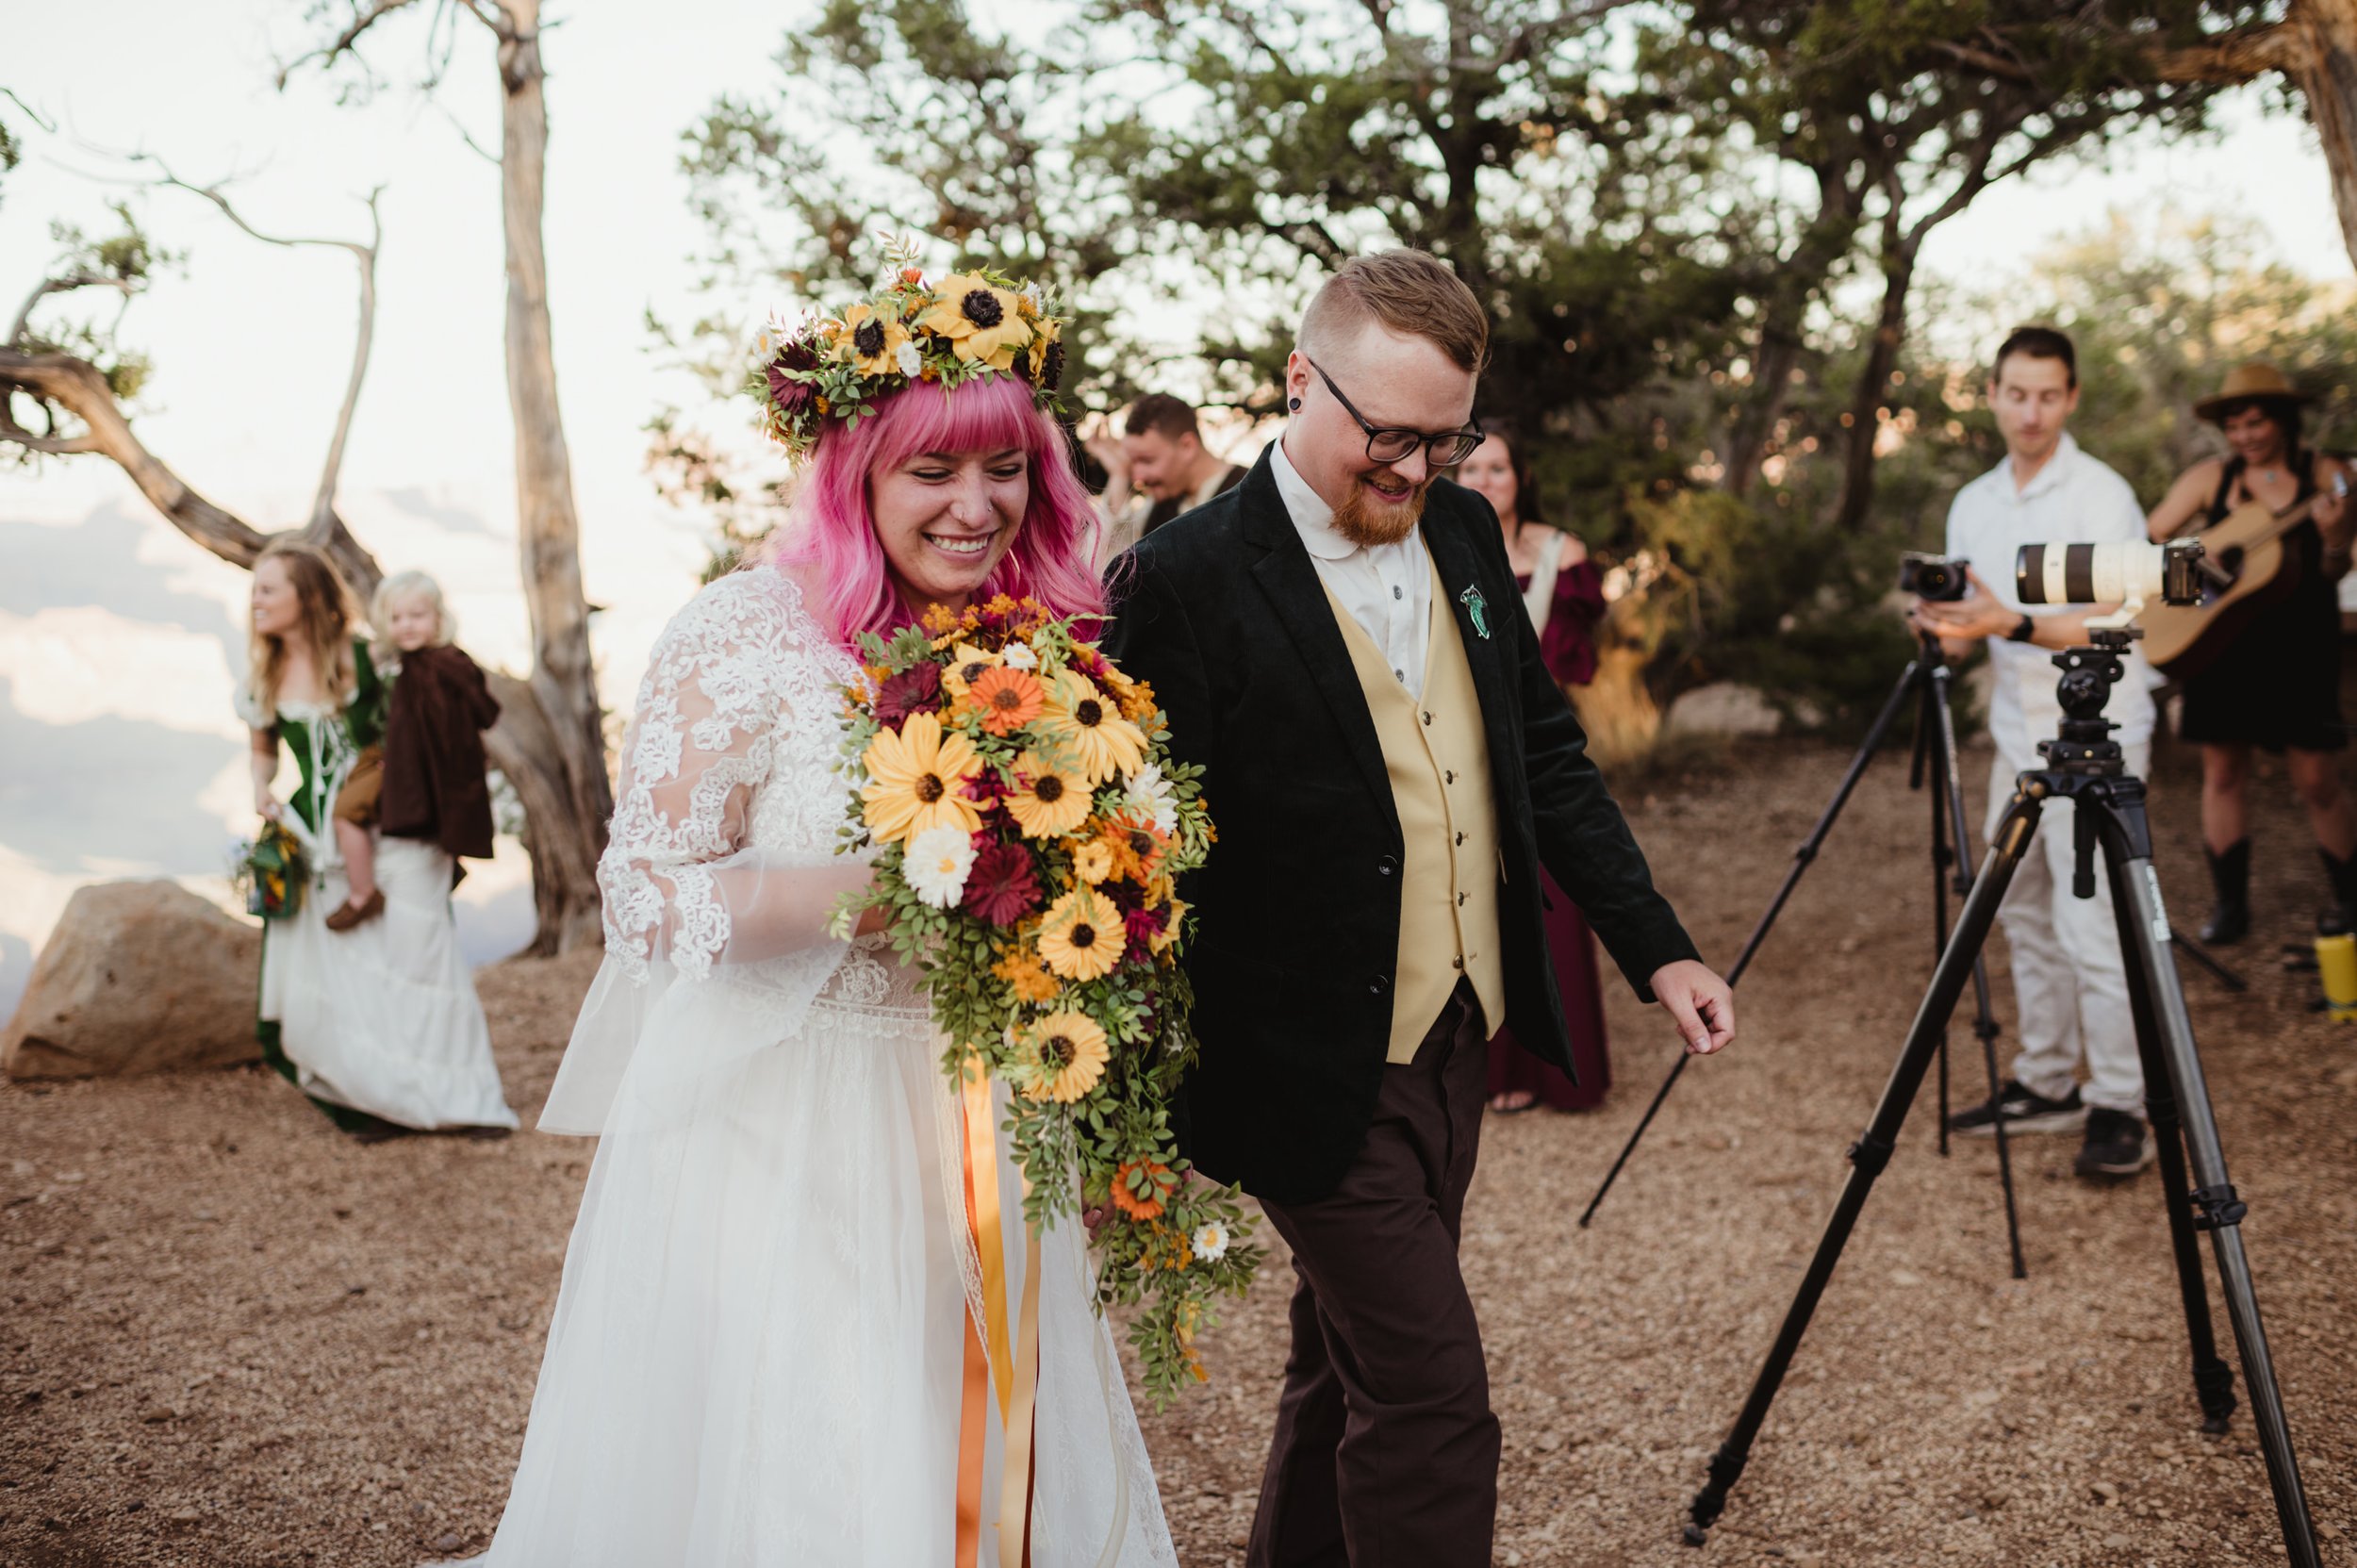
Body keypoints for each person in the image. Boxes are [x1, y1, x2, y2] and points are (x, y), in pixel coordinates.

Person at [468, 266, 1171, 1566]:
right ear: (858, 470)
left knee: (991, 1438)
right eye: (935, 473)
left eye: (1006, 468)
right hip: (783, 1128)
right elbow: (642, 896)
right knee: (821, 1463)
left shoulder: (1047, 645)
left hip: (986, 1118)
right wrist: (870, 893)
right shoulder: (748, 635)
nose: (978, 507)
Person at [1103, 249, 1733, 1568]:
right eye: (1386, 433)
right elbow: (1140, 861)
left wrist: (1654, 943)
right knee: (1434, 1391)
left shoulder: (1455, 530)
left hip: (1456, 1032)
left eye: (1443, 443)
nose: (1411, 470)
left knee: (1346, 1364)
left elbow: (1540, 751)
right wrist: (1130, 1110)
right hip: (1297, 1062)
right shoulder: (1186, 577)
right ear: (1296, 379)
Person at [1914, 326, 2157, 1180]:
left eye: (2048, 395)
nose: (2031, 411)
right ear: (1991, 394)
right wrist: (1940, 632)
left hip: (2103, 726)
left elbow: (2122, 621)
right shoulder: (1974, 502)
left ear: (2073, 397)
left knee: (2093, 919)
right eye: (2017, 393)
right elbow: (1967, 626)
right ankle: (2048, 1077)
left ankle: (2121, 1102)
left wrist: (2004, 622)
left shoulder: (2102, 495)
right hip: (2016, 733)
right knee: (2019, 906)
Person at [239, 539, 516, 1140]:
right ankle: (372, 1100)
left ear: (306, 596)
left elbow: (429, 732)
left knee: (418, 962)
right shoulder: (262, 673)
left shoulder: (367, 660)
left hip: (391, 826)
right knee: (348, 974)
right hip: (313, 836)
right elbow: (263, 749)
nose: (254, 599)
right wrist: (261, 788)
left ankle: (461, 1100)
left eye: (268, 588)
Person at [2145, 361, 2355, 943]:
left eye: (2255, 422)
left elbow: (2339, 566)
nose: (2245, 435)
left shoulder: (2329, 474)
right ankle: (2230, 906)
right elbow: (2151, 539)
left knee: (2316, 777)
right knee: (2223, 770)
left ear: (2283, 421)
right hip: (2222, 644)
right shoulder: (2210, 478)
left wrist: (2337, 540)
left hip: (2300, 644)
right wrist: (2202, 566)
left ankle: (2349, 900)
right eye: (2234, 425)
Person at [1457, 423, 1612, 1114]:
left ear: (1520, 476)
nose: (1485, 481)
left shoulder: (1560, 554)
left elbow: (1576, 662)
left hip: (1536, 746)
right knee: (1482, 898)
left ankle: (1562, 1068)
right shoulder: (1439, 545)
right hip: (1464, 743)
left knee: (1554, 893)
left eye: (1498, 468)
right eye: (1472, 471)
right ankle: (1497, 1066)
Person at [371, 571, 503, 877]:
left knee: (436, 844)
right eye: (396, 618)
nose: (406, 625)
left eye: (417, 615)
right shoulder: (407, 666)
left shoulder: (447, 663)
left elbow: (476, 713)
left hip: (448, 765)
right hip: (417, 767)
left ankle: (449, 858)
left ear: (439, 619)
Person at [1086, 392, 1246, 565]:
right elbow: (1112, 567)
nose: (1138, 476)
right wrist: (1119, 475)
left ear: (1187, 446)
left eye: (1147, 460)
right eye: (1133, 462)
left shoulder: (1249, 492)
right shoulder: (1158, 505)